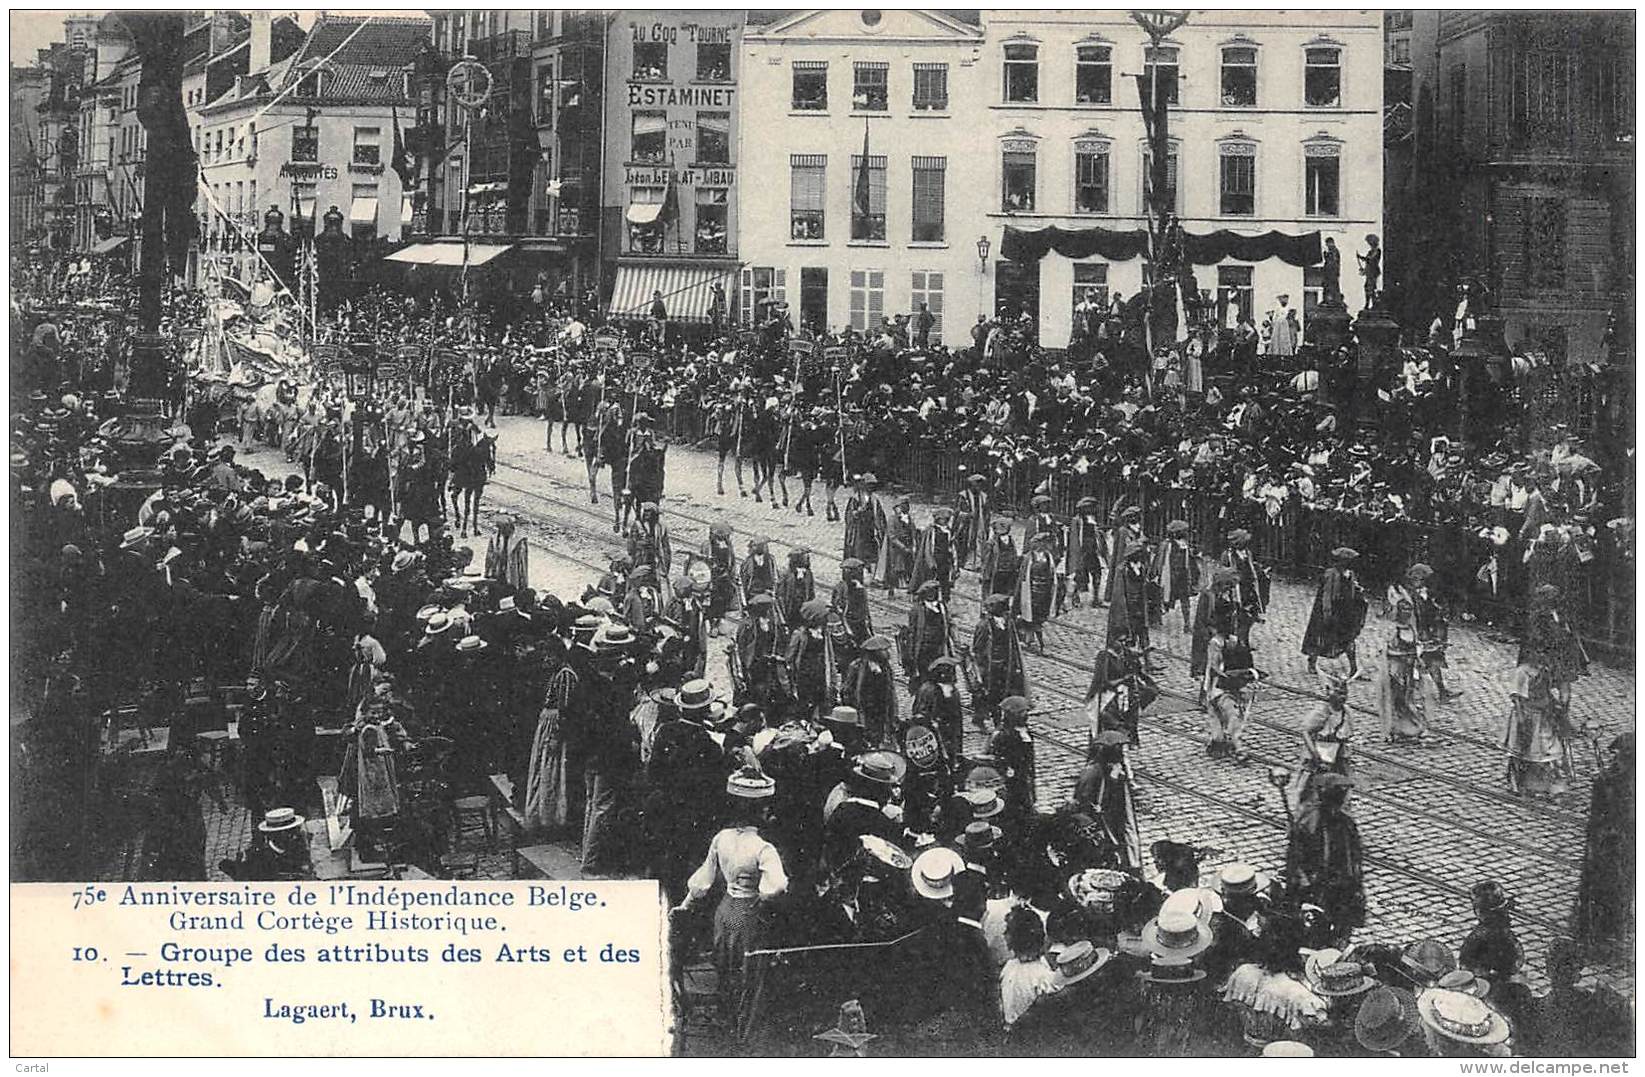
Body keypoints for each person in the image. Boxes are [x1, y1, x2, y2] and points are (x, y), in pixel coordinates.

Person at [680, 767, 788, 1021]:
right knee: (748, 974)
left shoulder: (722, 838)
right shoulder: (764, 848)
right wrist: (763, 897)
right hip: (748, 912)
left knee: (725, 966)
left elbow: (703, 880)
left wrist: (685, 905)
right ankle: (742, 1029)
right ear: (763, 810)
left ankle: (725, 1016)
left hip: (725, 909)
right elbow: (777, 886)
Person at [1504, 584, 1588, 797]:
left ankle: (1546, 781)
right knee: (1522, 748)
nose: (1553, 601)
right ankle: (1517, 779)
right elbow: (1519, 694)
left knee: (1545, 746)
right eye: (1549, 597)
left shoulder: (1559, 616)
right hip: (1529, 710)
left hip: (1550, 688)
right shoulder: (1537, 622)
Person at [1284, 772, 1365, 943]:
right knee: (1314, 931)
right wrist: (1305, 886)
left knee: (1342, 928)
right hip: (1316, 887)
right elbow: (1295, 860)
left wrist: (1356, 883)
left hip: (1341, 886)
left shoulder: (1346, 822)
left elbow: (1354, 855)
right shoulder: (1308, 823)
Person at [1575, 732, 1634, 957]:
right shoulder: (1605, 780)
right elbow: (1595, 817)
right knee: (1603, 888)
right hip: (1604, 845)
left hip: (1621, 846)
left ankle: (1612, 931)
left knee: (1618, 889)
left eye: (1622, 756)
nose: (1616, 760)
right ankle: (1600, 931)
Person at [1302, 546, 1368, 680]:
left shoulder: (1350, 574)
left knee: (1349, 639)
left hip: (1345, 612)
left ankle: (1353, 668)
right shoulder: (1331, 574)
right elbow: (1326, 596)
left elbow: (1353, 591)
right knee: (1320, 637)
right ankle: (1312, 662)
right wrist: (1327, 614)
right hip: (1331, 611)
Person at [969, 593, 1027, 730]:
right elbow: (977, 648)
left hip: (1004, 665)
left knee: (1002, 694)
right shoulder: (984, 625)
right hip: (989, 666)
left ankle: (998, 721)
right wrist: (980, 668)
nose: (1005, 611)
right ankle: (979, 719)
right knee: (986, 695)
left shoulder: (1008, 623)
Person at [1149, 519, 1198, 633]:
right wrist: (1156, 574)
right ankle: (1156, 619)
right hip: (1169, 576)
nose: (1186, 533)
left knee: (1185, 601)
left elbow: (1189, 562)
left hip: (1183, 577)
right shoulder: (1167, 545)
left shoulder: (1185, 545)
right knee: (1164, 599)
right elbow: (1159, 561)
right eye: (1183, 531)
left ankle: (1187, 624)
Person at [1066, 496, 1109, 610]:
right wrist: (1076, 554)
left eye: (1092, 507)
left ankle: (1095, 598)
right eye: (1088, 508)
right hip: (1082, 552)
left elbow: (1098, 536)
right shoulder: (1077, 521)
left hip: (1092, 552)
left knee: (1097, 574)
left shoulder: (1093, 520)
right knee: (1080, 576)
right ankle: (1076, 598)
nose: (1091, 510)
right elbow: (1074, 539)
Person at [484, 515, 530, 591]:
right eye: (500, 528)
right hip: (498, 573)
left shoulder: (519, 540)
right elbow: (489, 557)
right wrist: (488, 574)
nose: (501, 531)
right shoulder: (495, 538)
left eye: (503, 528)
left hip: (512, 575)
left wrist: (523, 583)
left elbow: (522, 564)